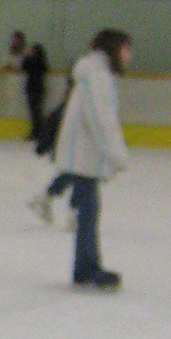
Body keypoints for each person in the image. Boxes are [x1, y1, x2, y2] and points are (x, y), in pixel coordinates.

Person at [40, 28, 131, 290]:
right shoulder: (98, 77)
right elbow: (101, 121)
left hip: (83, 156)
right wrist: (117, 154)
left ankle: (85, 268)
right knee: (88, 213)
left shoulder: (95, 75)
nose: (129, 54)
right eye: (126, 48)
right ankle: (87, 269)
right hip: (84, 157)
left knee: (88, 212)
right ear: (114, 49)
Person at [19, 40, 49, 141]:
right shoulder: (41, 61)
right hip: (37, 89)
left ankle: (38, 132)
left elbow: (24, 67)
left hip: (34, 89)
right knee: (36, 112)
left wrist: (26, 57)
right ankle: (37, 132)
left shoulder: (37, 61)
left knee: (36, 113)